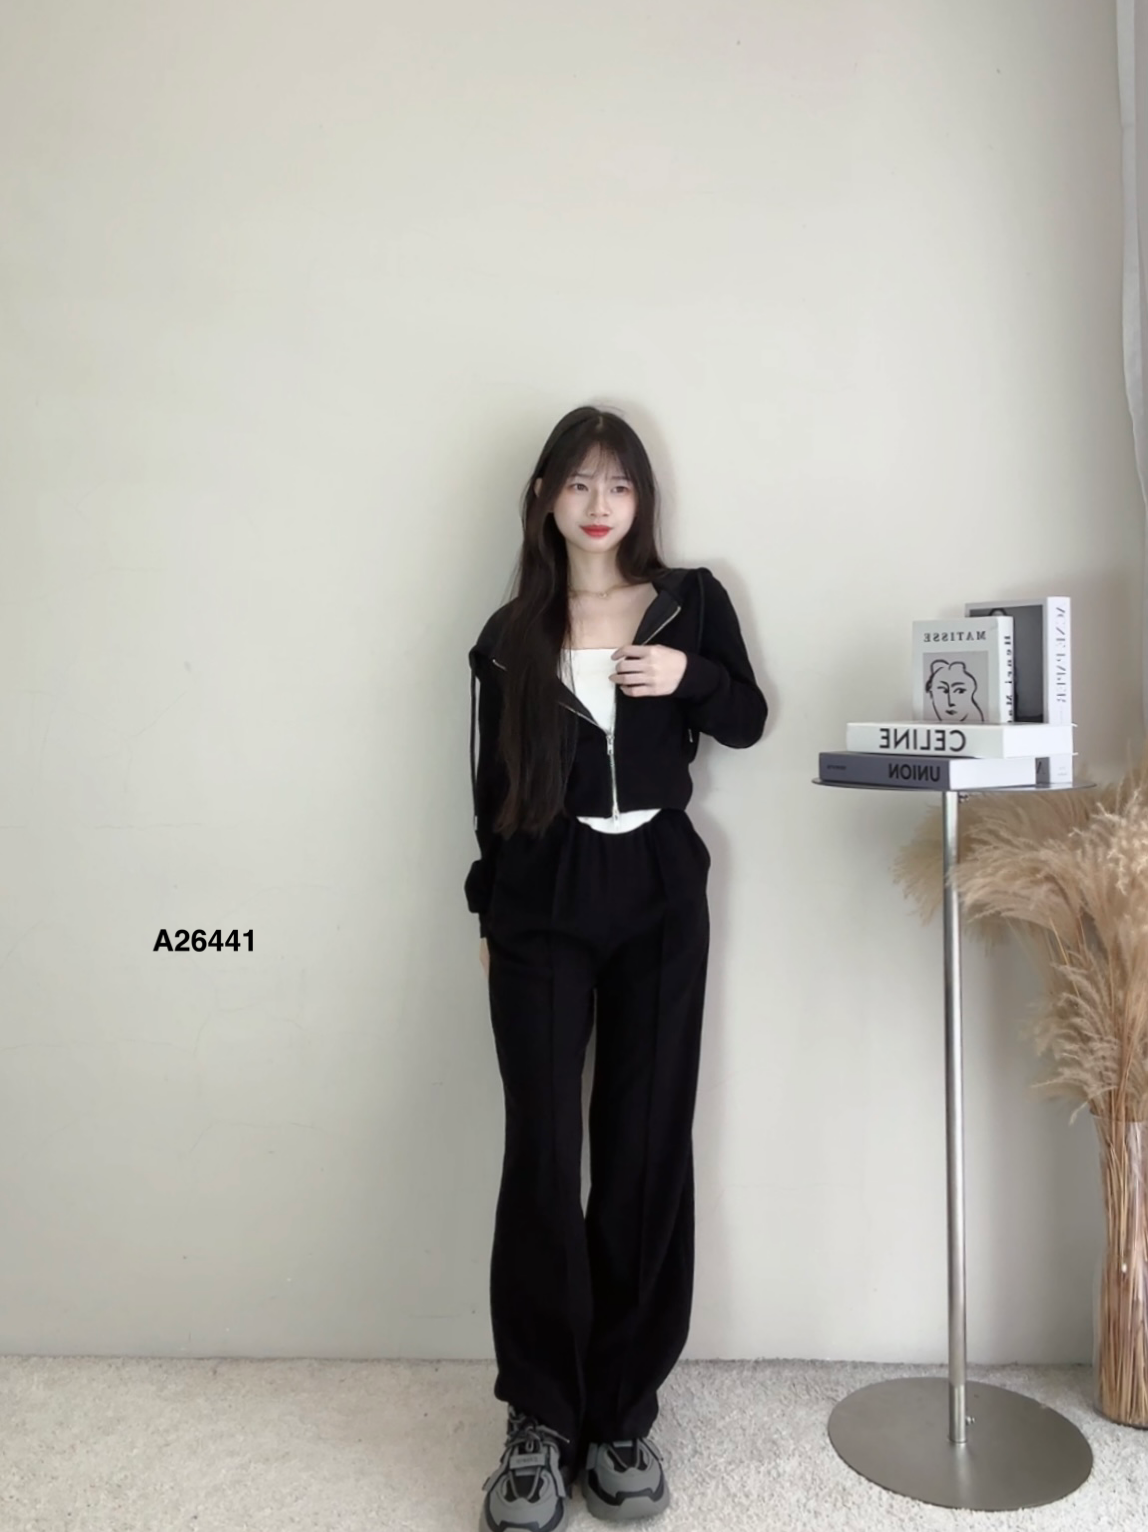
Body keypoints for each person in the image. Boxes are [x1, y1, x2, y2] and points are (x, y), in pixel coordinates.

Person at [467, 405, 768, 1532]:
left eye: (620, 485)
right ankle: (541, 1417)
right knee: (543, 1149)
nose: (599, 505)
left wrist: (688, 675)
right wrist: (486, 912)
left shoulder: (689, 600)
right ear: (546, 496)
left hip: (657, 890)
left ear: (641, 500)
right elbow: (487, 788)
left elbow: (746, 718)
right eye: (579, 483)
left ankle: (624, 1411)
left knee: (643, 1148)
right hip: (540, 897)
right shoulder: (510, 633)